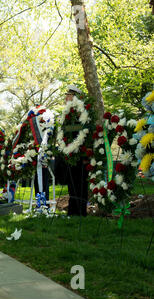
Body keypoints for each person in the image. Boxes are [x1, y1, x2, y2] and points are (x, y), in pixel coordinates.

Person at [64, 85, 89, 217]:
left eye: (68, 95)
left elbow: (84, 131)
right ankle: (72, 211)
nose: (66, 98)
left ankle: (81, 212)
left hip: (81, 154)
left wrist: (86, 155)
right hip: (70, 153)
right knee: (72, 184)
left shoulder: (82, 111)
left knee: (80, 184)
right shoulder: (68, 113)